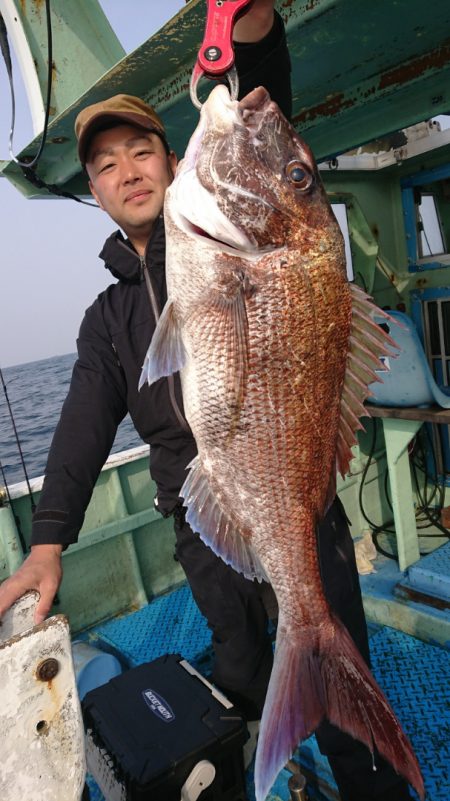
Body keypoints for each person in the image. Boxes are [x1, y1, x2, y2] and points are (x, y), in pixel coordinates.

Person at [0, 4, 415, 800]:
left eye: (140, 150)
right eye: (105, 165)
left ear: (172, 156)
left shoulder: (250, 233)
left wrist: (250, 22)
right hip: (202, 526)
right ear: (94, 189)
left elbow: (262, 106)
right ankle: (268, 761)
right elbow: (83, 427)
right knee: (242, 673)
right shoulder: (107, 321)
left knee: (341, 690)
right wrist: (49, 539)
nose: (126, 171)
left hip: (299, 505)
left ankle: (369, 775)